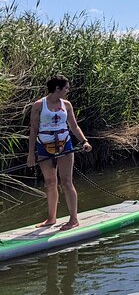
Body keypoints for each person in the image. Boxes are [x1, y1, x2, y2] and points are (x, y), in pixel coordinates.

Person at [27, 75, 92, 230]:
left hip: (65, 145)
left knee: (66, 182)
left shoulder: (67, 105)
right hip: (44, 146)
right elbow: (34, 130)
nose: (68, 91)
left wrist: (84, 141)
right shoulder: (38, 105)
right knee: (50, 183)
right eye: (66, 88)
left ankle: (73, 219)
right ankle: (51, 218)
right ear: (57, 89)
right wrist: (31, 154)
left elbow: (74, 127)